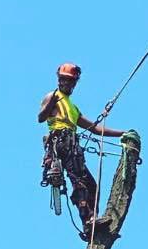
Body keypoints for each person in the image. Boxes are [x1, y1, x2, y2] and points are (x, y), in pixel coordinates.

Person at [38, 63, 126, 237]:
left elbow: (94, 128)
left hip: (72, 142)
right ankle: (88, 220)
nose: (69, 85)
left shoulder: (73, 107)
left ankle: (91, 221)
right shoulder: (53, 96)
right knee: (80, 181)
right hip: (62, 141)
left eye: (72, 82)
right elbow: (41, 117)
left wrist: (123, 133)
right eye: (66, 81)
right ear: (60, 80)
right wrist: (51, 104)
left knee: (91, 184)